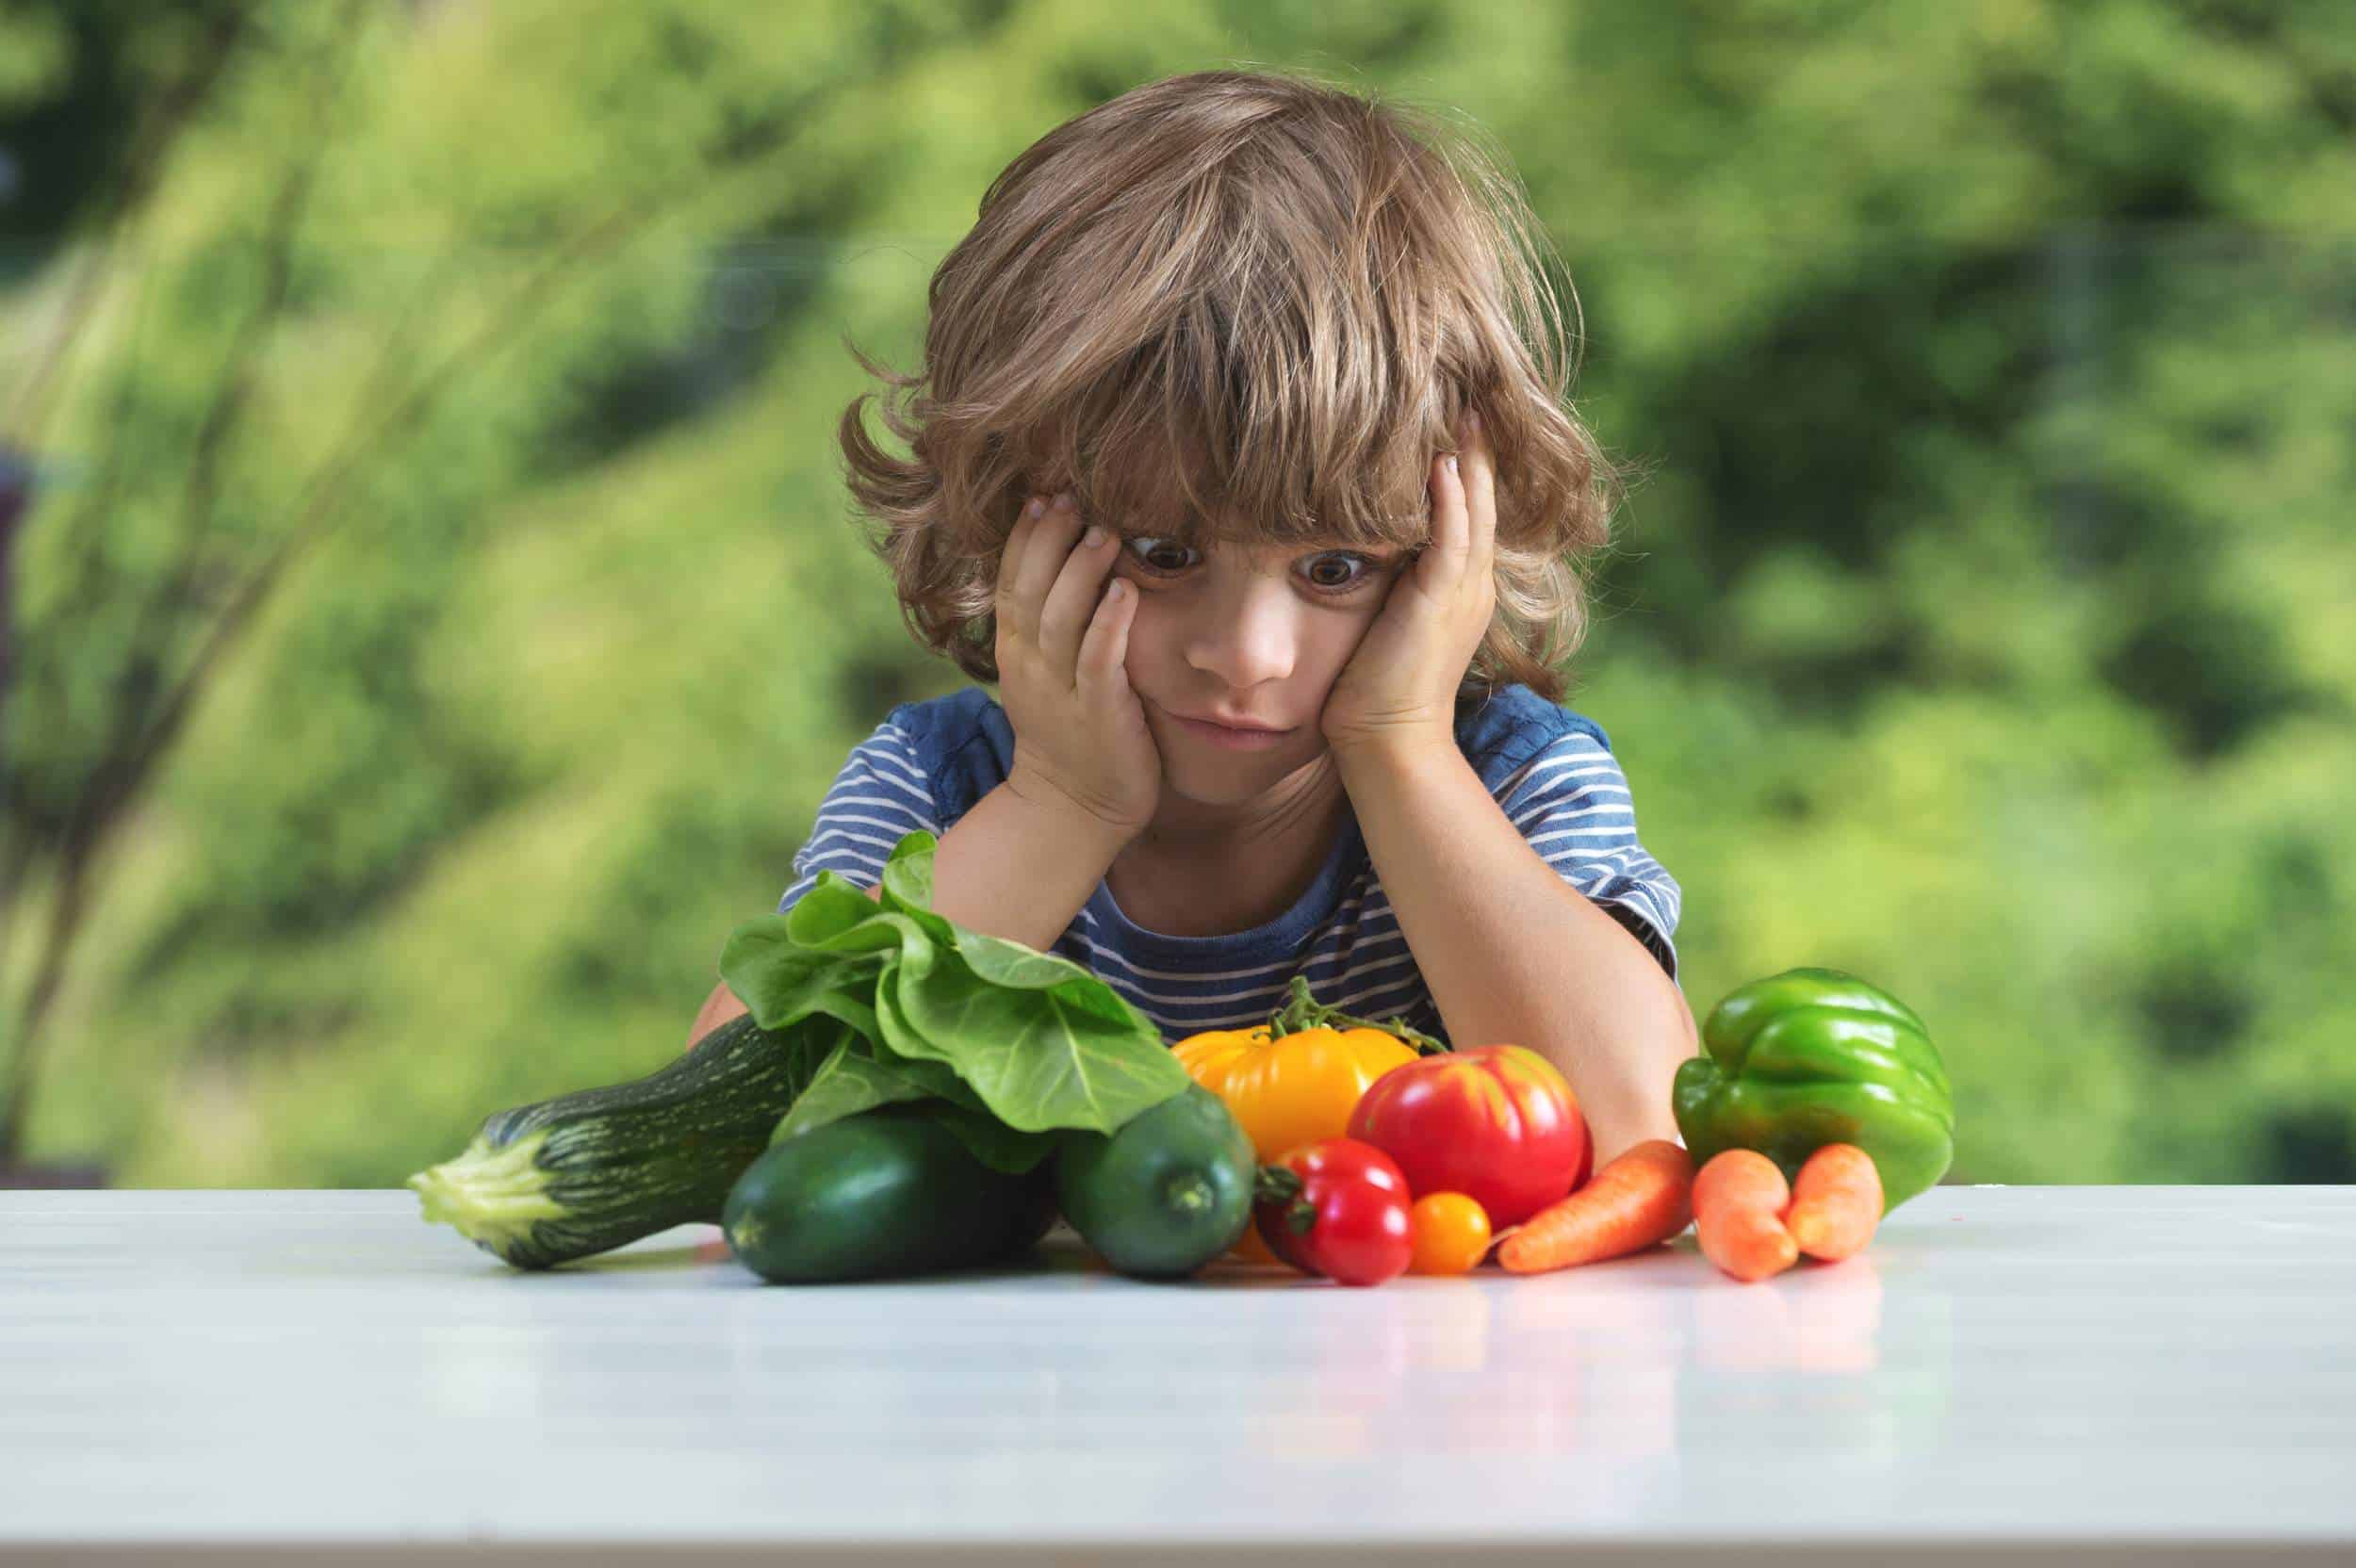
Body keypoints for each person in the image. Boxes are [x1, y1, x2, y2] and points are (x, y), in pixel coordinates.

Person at [688, 69, 1694, 1162]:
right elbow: (734, 1142)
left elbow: (1645, 1135)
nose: (1244, 656)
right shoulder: (935, 795)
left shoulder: (1509, 782)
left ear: (1452, 542)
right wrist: (1063, 802)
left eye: (1336, 565)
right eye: (1164, 553)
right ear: (1004, 510)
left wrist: (1400, 750)